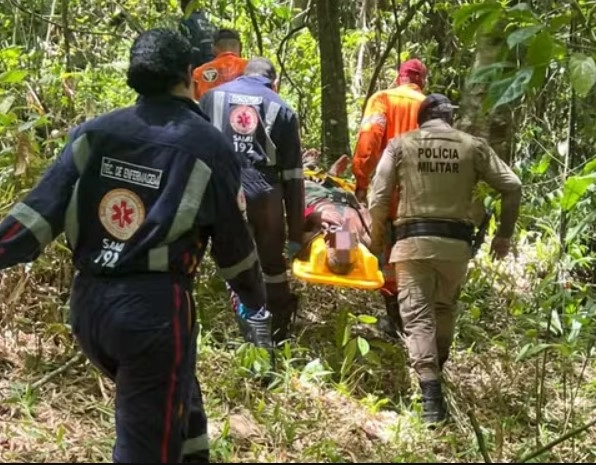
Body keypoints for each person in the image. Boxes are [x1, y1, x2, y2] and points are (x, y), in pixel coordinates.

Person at [0, 28, 271, 463]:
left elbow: (32, 222)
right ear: (189, 74)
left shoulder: (94, 134)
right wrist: (256, 296)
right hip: (154, 313)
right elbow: (233, 247)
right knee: (147, 443)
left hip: (89, 308)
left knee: (183, 406)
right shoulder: (208, 145)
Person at [368, 93, 522, 425]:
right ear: (449, 118)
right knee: (443, 309)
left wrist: (377, 238)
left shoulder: (400, 144)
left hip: (413, 245)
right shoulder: (473, 146)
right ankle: (437, 370)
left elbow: (379, 197)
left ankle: (431, 400)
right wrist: (503, 234)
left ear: (420, 119)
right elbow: (512, 186)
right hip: (456, 247)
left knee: (418, 317)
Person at [199, 57, 305, 343]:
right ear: (275, 83)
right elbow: (293, 176)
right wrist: (297, 236)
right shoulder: (282, 108)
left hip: (221, 187)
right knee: (271, 264)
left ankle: (245, 328)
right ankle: (278, 331)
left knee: (233, 258)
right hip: (264, 191)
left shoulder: (211, 97)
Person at [351, 58, 428, 335]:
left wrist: (360, 179)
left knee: (386, 255)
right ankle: (410, 320)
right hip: (422, 197)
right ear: (423, 82)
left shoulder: (383, 99)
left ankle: (396, 321)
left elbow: (369, 140)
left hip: (388, 193)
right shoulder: (430, 106)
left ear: (400, 78)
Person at [192, 28, 248, 100]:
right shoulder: (251, 68)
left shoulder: (199, 73)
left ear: (213, 49)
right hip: (244, 111)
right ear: (241, 47)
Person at [178, 0, 217, 69]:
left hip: (199, 63)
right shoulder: (205, 19)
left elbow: (185, 46)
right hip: (213, 61)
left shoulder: (186, 21)